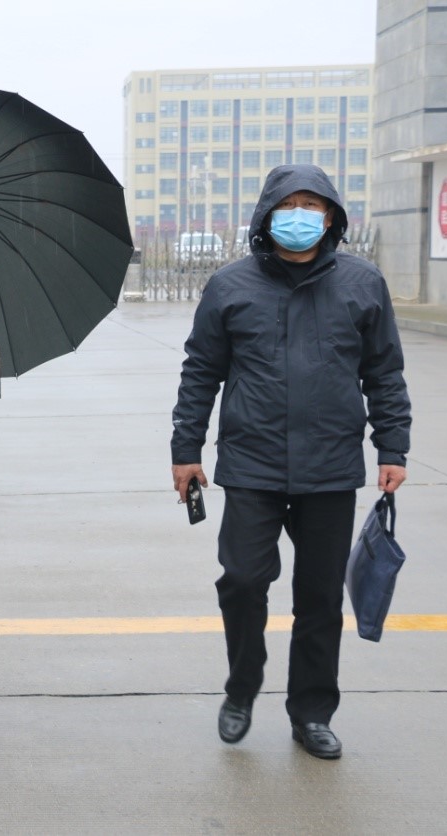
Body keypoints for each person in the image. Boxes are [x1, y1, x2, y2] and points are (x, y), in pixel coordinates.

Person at [170, 164, 412, 760]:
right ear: (267, 213)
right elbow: (201, 370)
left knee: (320, 598)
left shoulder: (362, 283)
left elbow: (384, 370)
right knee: (244, 582)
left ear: (330, 216)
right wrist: (186, 450)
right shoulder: (230, 285)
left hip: (330, 467)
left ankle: (311, 713)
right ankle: (241, 688)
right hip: (251, 465)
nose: (299, 215)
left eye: (312, 205)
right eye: (289, 204)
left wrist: (393, 446)